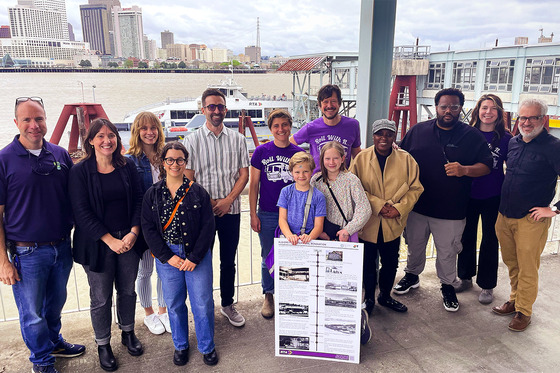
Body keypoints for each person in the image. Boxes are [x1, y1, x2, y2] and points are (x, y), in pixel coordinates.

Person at [0, 97, 85, 373]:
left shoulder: (59, 154)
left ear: (46, 120)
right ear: (16, 123)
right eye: (27, 119)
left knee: (55, 304)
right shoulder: (4, 160)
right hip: (27, 252)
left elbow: (75, 198)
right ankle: (42, 361)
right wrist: (3, 261)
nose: (34, 125)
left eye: (39, 119)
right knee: (32, 314)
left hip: (61, 247)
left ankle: (54, 342)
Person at [394, 88, 492, 312]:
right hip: (417, 206)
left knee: (447, 252)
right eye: (444, 106)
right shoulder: (418, 131)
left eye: (454, 107)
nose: (448, 111)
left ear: (461, 109)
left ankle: (448, 286)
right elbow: (400, 156)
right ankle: (411, 276)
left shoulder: (471, 136)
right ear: (436, 107)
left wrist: (464, 169)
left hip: (452, 210)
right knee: (414, 246)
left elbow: (487, 166)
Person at [69, 118, 145, 372]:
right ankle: (103, 344)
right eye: (100, 136)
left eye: (111, 135)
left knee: (128, 291)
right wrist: (109, 240)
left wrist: (134, 233)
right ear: (90, 140)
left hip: (128, 240)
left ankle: (128, 332)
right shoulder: (80, 172)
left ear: (117, 139)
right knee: (100, 298)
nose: (106, 140)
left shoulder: (127, 165)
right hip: (97, 244)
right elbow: (81, 212)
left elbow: (138, 200)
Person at [141, 142, 218, 366]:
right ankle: (181, 345)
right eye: (170, 160)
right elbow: (148, 228)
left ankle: (207, 346)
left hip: (196, 254)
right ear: (163, 163)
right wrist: (167, 256)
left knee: (202, 302)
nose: (175, 164)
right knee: (174, 302)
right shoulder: (152, 194)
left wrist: (194, 257)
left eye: (180, 160)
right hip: (168, 255)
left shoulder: (198, 192)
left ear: (186, 162)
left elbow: (208, 227)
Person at [183, 88, 250, 327]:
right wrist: (210, 203)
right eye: (211, 106)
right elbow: (188, 178)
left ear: (226, 109)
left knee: (228, 260)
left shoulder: (238, 139)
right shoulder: (191, 141)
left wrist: (228, 200)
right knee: (202, 260)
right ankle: (204, 306)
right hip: (202, 214)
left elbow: (244, 174)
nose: (216, 111)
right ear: (203, 110)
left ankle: (227, 303)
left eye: (220, 106)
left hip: (230, 210)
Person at [493, 98, 560, 332]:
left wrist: (554, 208)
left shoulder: (554, 147)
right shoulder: (514, 142)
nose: (527, 122)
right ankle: (514, 300)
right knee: (512, 263)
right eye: (523, 117)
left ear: (544, 119)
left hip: (531, 220)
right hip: (505, 215)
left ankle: (524, 311)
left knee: (528, 267)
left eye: (532, 117)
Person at [350, 119, 423, 315]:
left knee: (390, 262)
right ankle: (368, 299)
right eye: (379, 134)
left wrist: (399, 208)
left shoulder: (407, 159)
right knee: (367, 263)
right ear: (373, 136)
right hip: (368, 222)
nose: (384, 138)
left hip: (393, 222)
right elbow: (354, 189)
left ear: (394, 136)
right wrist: (379, 206)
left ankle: (385, 296)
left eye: (388, 134)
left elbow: (416, 188)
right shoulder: (361, 159)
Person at [456, 94, 512, 304]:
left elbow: (514, 165)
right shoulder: (467, 134)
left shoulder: (506, 138)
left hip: (494, 195)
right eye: (484, 107)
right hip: (468, 194)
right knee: (466, 236)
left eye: (493, 108)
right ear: (477, 110)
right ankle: (465, 277)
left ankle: (487, 285)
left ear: (499, 113)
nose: (488, 112)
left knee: (490, 240)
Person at [249, 109, 303, 319]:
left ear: (290, 126)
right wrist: (253, 214)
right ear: (270, 129)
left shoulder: (298, 153)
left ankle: (292, 293)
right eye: (276, 126)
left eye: (284, 125)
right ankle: (269, 294)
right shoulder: (261, 152)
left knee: (293, 255)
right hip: (268, 213)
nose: (281, 129)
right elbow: (253, 185)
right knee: (267, 257)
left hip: (294, 214)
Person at [125, 112, 170, 335]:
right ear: (137, 132)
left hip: (166, 223)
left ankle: (163, 311)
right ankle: (149, 313)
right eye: (144, 128)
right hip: (144, 224)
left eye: (153, 128)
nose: (149, 132)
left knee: (164, 269)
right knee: (145, 271)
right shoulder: (130, 160)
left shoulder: (165, 155)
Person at [290, 84, 361, 173]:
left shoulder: (353, 125)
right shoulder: (311, 128)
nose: (329, 105)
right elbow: (290, 144)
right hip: (318, 182)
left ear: (339, 103)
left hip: (343, 182)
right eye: (325, 102)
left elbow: (357, 155)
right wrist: (304, 160)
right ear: (319, 105)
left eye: (333, 101)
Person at [311, 140, 371, 242]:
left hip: (344, 234)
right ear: (322, 159)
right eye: (327, 159)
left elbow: (364, 208)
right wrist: (317, 230)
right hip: (320, 233)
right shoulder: (316, 181)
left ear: (342, 159)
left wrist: (348, 230)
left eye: (335, 158)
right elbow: (309, 207)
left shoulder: (351, 180)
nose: (331, 162)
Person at [277, 152, 326, 245]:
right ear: (291, 173)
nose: (301, 175)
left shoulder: (319, 196)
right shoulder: (285, 192)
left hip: (309, 240)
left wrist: (309, 237)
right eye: (297, 172)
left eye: (305, 171)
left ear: (312, 171)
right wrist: (289, 235)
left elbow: (319, 226)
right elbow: (282, 219)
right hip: (288, 238)